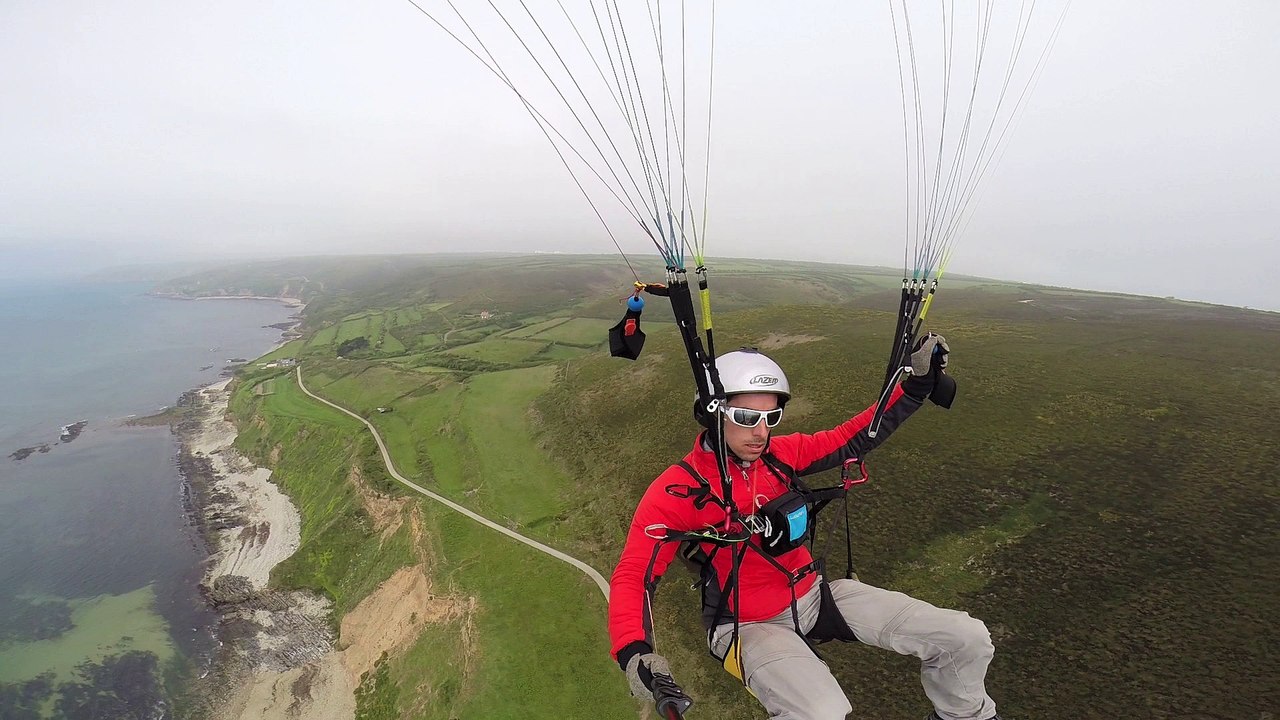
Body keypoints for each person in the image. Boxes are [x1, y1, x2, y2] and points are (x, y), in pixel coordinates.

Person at [607, 337, 999, 720]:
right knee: (821, 712)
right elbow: (635, 576)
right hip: (746, 622)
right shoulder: (677, 491)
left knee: (964, 637)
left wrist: (914, 389)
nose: (761, 432)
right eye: (746, 417)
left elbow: (853, 437)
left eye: (770, 417)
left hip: (812, 594)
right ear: (713, 414)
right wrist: (634, 650)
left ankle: (965, 715)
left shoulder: (781, 455)